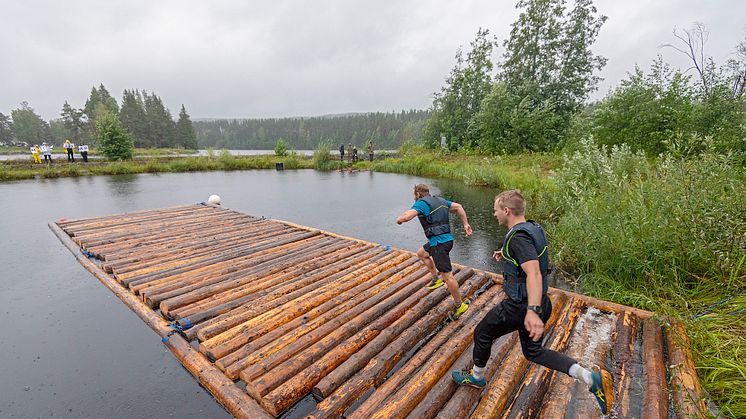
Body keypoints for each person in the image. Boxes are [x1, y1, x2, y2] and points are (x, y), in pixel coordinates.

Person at [451, 190, 614, 415]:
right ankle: (588, 377)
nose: (494, 213)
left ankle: (476, 378)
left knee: (482, 332)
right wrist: (506, 255)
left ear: (506, 211)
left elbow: (535, 273)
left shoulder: (518, 238)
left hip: (522, 307)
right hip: (539, 302)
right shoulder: (533, 228)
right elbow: (531, 257)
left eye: (496, 209)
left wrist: (532, 312)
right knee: (533, 352)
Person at [396, 184, 473, 320]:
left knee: (448, 276)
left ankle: (459, 305)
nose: (414, 197)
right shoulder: (441, 201)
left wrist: (400, 219)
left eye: (414, 195)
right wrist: (465, 224)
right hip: (445, 240)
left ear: (418, 194)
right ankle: (435, 279)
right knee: (421, 254)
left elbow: (408, 216)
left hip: (439, 244)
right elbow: (459, 207)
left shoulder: (421, 203)